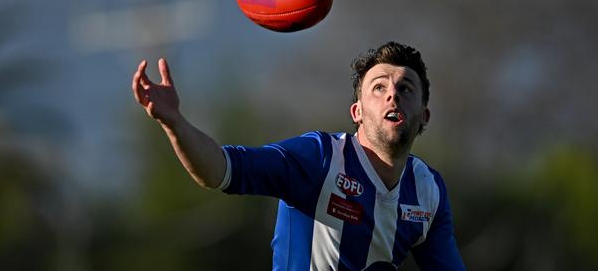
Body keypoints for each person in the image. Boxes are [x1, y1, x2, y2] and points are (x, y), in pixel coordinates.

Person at [132, 41, 465, 270]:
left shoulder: (428, 191)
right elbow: (220, 170)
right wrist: (175, 123)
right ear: (357, 111)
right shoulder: (318, 159)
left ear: (424, 116)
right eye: (379, 87)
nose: (392, 94)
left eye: (405, 88)